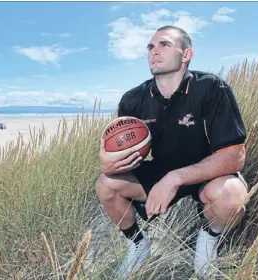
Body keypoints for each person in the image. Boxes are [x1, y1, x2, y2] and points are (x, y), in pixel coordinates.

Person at [95, 25, 249, 278]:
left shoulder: (212, 88)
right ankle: (138, 245)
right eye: (151, 47)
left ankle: (208, 243)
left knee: (232, 195)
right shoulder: (133, 99)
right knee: (106, 184)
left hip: (206, 171)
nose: (154, 52)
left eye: (164, 45)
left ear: (186, 54)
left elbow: (234, 156)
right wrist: (109, 163)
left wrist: (175, 178)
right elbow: (125, 155)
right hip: (160, 167)